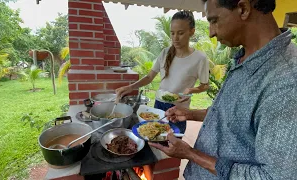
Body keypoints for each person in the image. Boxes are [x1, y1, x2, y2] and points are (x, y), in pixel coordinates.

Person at [149, 0, 297, 179]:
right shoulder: (244, 58)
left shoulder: (287, 81)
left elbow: (273, 176)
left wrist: (191, 154)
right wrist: (191, 114)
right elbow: (236, 116)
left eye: (214, 20)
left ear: (243, 9)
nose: (211, 32)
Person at [116, 11, 210, 133]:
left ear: (192, 32)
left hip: (179, 110)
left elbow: (205, 85)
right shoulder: (165, 53)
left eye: (180, 33)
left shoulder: (200, 58)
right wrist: (130, 87)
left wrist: (191, 90)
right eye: (172, 33)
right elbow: (150, 77)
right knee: (155, 135)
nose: (175, 38)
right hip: (159, 105)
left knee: (173, 142)